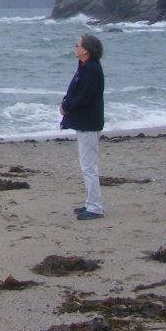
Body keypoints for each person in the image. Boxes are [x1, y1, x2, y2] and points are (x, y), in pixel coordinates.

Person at [59, 33, 106, 220]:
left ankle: (95, 207)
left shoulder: (92, 69)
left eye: (77, 45)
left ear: (85, 49)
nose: (75, 47)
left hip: (89, 123)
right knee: (86, 165)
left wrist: (67, 106)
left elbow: (85, 96)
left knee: (89, 167)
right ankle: (90, 203)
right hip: (85, 122)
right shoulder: (85, 67)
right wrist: (65, 103)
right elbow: (77, 91)